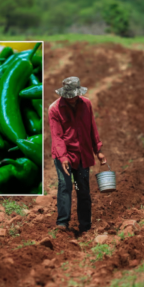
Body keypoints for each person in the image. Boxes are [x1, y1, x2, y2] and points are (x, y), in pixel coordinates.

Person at [48, 76, 107, 235]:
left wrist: (98, 151)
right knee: (65, 187)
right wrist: (64, 157)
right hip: (63, 155)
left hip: (82, 154)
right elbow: (57, 137)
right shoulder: (55, 109)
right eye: (68, 96)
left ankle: (85, 225)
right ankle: (62, 223)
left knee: (83, 189)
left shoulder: (86, 104)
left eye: (74, 95)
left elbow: (92, 129)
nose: (72, 98)